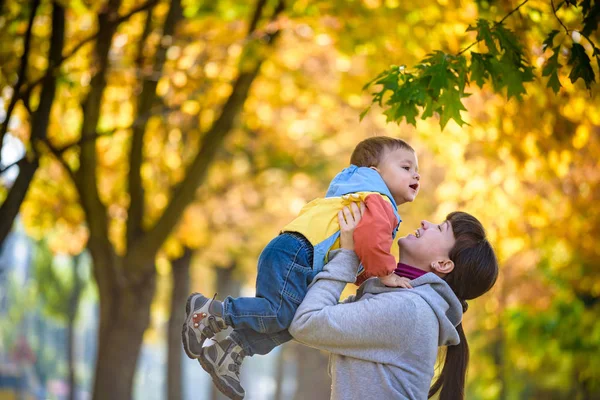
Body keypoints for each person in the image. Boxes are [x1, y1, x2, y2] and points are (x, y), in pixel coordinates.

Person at [181, 136, 421, 399]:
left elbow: (360, 251)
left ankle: (228, 352)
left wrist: (366, 280)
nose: (416, 175)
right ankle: (211, 313)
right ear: (375, 173)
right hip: (298, 253)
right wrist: (387, 274)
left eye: (416, 170)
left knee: (294, 321)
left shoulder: (356, 197)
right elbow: (371, 241)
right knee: (277, 313)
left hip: (294, 253)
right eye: (406, 167)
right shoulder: (379, 202)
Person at [289, 206, 499, 400]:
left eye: (440, 228)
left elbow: (306, 322)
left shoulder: (409, 310)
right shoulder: (406, 304)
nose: (426, 223)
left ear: (442, 264)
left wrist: (348, 255)